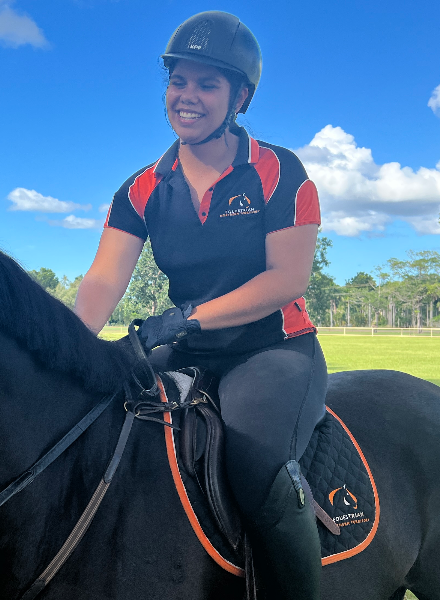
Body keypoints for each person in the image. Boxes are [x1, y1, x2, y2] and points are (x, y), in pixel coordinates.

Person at [74, 11, 326, 599]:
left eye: (207, 84)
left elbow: (287, 278)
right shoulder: (140, 188)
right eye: (178, 82)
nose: (187, 97)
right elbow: (104, 280)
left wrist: (185, 318)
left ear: (240, 96)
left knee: (259, 470)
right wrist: (64, 344)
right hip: (186, 351)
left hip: (273, 350)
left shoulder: (279, 171)